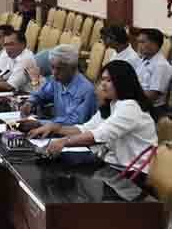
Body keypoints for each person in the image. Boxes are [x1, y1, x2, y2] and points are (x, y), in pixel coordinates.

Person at [29, 61, 157, 172]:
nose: (103, 84)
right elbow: (85, 129)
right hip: (114, 165)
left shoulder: (130, 106)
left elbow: (98, 135)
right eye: (103, 79)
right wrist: (54, 128)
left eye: (109, 80)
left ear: (122, 81)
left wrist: (64, 141)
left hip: (132, 173)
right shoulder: (113, 104)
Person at [20, 44, 97, 128]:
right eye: (52, 67)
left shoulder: (85, 90)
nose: (54, 72)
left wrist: (40, 123)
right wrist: (30, 102)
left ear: (73, 68)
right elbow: (41, 93)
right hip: (55, 129)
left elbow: (74, 121)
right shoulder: (56, 81)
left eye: (59, 69)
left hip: (74, 135)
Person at [134, 28, 172, 120]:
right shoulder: (144, 59)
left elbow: (152, 95)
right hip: (138, 103)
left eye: (142, 42)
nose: (139, 46)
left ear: (155, 44)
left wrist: (129, 96)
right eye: (138, 42)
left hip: (152, 110)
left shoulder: (161, 66)